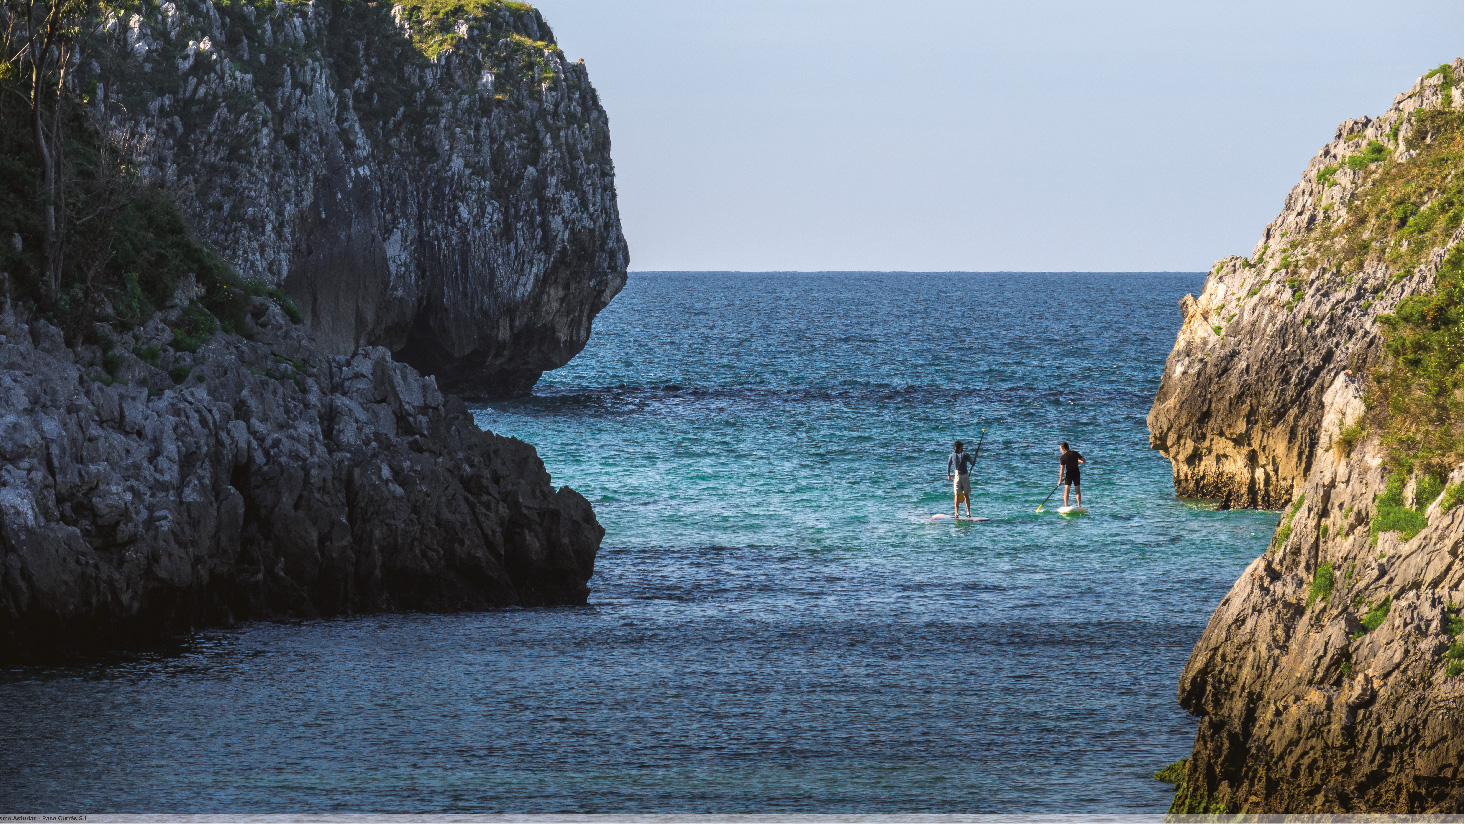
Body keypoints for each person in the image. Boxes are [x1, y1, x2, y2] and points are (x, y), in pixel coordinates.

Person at [947, 440, 978, 519]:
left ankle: (956, 513)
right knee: (966, 495)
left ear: (955, 448)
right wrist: (975, 457)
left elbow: (949, 465)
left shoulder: (951, 455)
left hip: (957, 476)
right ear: (960, 447)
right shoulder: (965, 454)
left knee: (956, 495)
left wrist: (949, 475)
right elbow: (973, 464)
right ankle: (968, 513)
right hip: (965, 476)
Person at [1058, 441, 1085, 508]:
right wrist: (1079, 461)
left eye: (1060, 449)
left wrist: (1060, 480)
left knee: (1066, 491)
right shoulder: (1075, 453)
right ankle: (1079, 506)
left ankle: (1066, 505)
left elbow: (1062, 470)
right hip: (1076, 474)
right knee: (1077, 491)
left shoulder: (1063, 457)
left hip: (1068, 475)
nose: (1060, 450)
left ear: (1063, 449)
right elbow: (1083, 460)